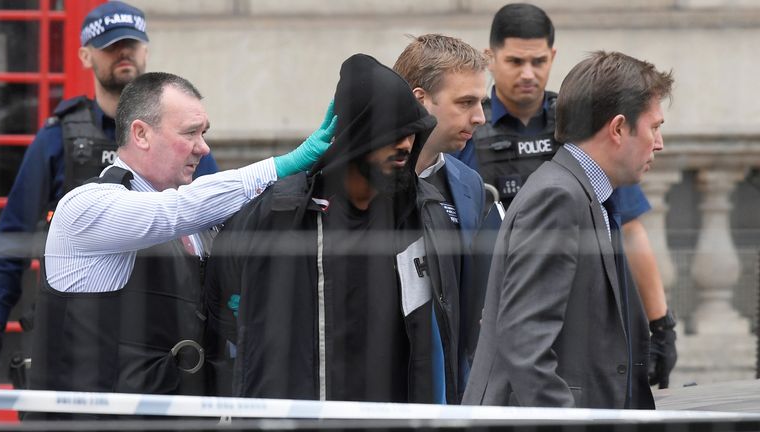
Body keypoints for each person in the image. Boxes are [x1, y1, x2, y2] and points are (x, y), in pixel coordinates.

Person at [26, 72, 335, 419]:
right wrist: (284, 164)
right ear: (141, 133)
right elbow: (172, 212)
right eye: (190, 133)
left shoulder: (198, 224)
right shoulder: (85, 206)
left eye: (204, 133)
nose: (203, 148)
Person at [205, 54, 465, 403]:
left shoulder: (425, 215)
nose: (405, 144)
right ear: (358, 135)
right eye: (391, 134)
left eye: (411, 133)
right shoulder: (281, 214)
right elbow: (222, 310)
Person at [454, 3, 677, 388]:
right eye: (516, 61)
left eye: (539, 61)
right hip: (490, 316)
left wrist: (660, 323)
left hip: (570, 323)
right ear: (492, 58)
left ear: (553, 56)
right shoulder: (469, 128)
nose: (528, 73)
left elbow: (629, 229)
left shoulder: (585, 121)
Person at [0, 1, 218, 369]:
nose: (123, 53)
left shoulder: (183, 139)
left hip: (162, 330)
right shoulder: (57, 138)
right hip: (75, 327)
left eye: (131, 43)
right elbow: (11, 239)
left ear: (146, 50)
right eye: (111, 46)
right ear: (85, 55)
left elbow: (213, 219)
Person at [392, 33, 487, 388]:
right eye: (465, 102)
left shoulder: (470, 185)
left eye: (481, 102)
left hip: (449, 390)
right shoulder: (356, 183)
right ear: (421, 100)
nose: (478, 117)